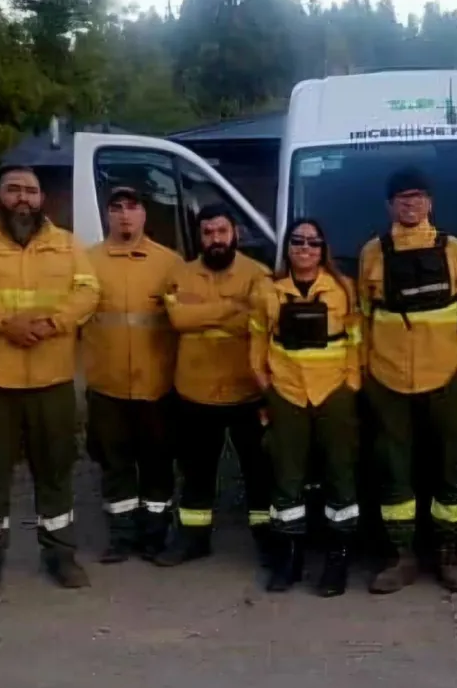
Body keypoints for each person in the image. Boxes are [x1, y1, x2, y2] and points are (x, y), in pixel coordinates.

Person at [0, 166, 100, 597]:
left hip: (51, 378)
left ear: (42, 198)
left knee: (56, 470)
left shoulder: (66, 244)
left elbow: (88, 292)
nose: (22, 198)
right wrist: (4, 323)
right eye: (13, 190)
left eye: (31, 191)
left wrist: (54, 323)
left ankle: (61, 556)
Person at [358, 168, 457, 594]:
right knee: (394, 469)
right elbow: (361, 318)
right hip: (387, 379)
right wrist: (364, 369)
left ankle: (448, 553)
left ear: (431, 203)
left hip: (446, 375)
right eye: (402, 198)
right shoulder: (373, 251)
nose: (410, 204)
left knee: (449, 468)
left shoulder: (454, 249)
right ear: (390, 206)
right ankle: (400, 555)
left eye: (418, 197)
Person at [155, 204, 274, 569]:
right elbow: (177, 319)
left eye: (221, 231)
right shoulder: (179, 274)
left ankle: (268, 541)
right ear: (199, 235)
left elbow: (257, 321)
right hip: (195, 391)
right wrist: (229, 308)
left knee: (259, 472)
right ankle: (193, 539)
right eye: (208, 233)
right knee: (195, 471)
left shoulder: (260, 274)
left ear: (234, 232)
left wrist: (202, 315)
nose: (215, 239)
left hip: (246, 391)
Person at [250, 218, 362, 596]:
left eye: (313, 242)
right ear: (287, 247)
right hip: (287, 393)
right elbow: (256, 345)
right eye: (297, 241)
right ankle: (290, 559)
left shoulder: (342, 288)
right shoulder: (267, 290)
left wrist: (350, 385)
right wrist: (269, 390)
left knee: (340, 476)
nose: (305, 248)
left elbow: (356, 341)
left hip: (334, 391)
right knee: (287, 480)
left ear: (322, 249)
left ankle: (337, 561)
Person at [83, 187, 181, 563]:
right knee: (115, 466)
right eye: (117, 208)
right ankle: (122, 537)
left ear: (144, 215)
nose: (125, 215)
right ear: (108, 215)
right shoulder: (87, 262)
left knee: (157, 464)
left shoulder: (170, 263)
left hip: (155, 386)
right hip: (106, 387)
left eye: (133, 207)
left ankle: (155, 535)